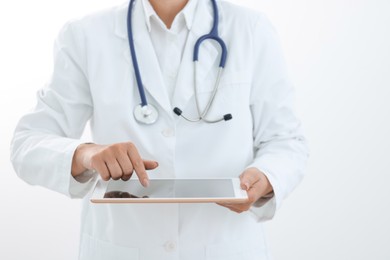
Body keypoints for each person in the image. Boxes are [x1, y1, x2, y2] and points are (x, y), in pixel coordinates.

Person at [10, 0, 308, 259]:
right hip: (122, 248)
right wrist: (85, 154)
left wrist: (266, 177)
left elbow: (286, 141)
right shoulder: (85, 36)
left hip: (224, 246)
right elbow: (26, 144)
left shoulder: (251, 30)